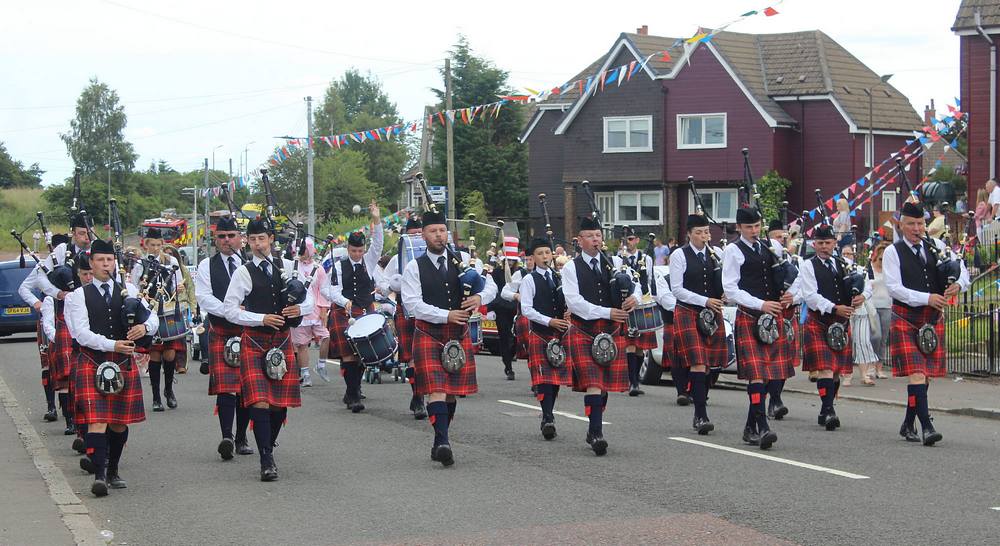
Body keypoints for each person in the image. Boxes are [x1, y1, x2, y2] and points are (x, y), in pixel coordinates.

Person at [401, 209, 497, 466]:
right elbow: (412, 304)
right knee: (437, 390)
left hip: (457, 335)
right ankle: (443, 441)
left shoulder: (464, 260)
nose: (438, 235)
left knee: (452, 393)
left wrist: (479, 298)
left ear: (448, 234)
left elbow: (491, 286)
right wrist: (446, 315)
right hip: (429, 334)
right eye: (433, 231)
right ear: (423, 235)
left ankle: (439, 439)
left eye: (442, 230)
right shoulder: (414, 266)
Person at [223, 219, 314, 481]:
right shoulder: (244, 272)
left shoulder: (288, 268)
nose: (258, 244)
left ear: (271, 239)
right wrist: (260, 318)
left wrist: (299, 309)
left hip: (282, 341)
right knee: (260, 401)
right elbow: (230, 310)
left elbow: (310, 300)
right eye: (252, 240)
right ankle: (266, 458)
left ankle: (268, 445)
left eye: (262, 239)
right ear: (247, 242)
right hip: (254, 340)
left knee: (279, 405)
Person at [68, 239, 157, 496]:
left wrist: (145, 328)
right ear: (91, 264)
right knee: (97, 421)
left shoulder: (127, 290)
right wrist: (112, 344)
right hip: (93, 360)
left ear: (113, 262)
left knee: (118, 423)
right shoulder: (78, 296)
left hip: (121, 362)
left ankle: (112, 469)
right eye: (99, 260)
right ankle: (99, 475)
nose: (105, 264)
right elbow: (80, 334)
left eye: (109, 260)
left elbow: (152, 318)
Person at [883, 202, 969, 445]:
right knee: (918, 374)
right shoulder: (893, 252)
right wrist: (927, 298)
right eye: (911, 224)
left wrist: (958, 285)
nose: (917, 228)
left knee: (925, 376)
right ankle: (927, 427)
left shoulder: (936, 245)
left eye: (920, 223)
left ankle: (909, 422)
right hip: (906, 319)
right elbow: (894, 288)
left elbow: (962, 269)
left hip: (931, 320)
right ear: (901, 224)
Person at [561, 216, 641, 456]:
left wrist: (634, 298)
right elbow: (574, 303)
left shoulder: (615, 262)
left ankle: (593, 428)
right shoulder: (570, 267)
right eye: (590, 236)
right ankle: (596, 432)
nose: (595, 240)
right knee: (594, 383)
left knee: (604, 385)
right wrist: (607, 311)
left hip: (612, 330)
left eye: (598, 236)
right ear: (579, 241)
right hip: (585, 330)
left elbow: (635, 283)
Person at [723, 207, 798, 450]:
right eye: (748, 227)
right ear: (739, 228)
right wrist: (761, 304)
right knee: (756, 374)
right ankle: (763, 427)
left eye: (757, 226)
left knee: (766, 376)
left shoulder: (772, 247)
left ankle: (749, 428)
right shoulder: (733, 251)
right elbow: (731, 289)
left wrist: (789, 296)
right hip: (750, 316)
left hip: (772, 316)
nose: (754, 231)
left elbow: (792, 278)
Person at [19, 215, 92, 421]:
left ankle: (84, 418)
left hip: (90, 313)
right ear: (73, 233)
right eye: (81, 232)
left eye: (88, 232)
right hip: (58, 313)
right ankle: (67, 417)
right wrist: (54, 295)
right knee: (62, 370)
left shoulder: (97, 252)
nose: (85, 237)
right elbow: (33, 282)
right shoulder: (60, 252)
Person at [194, 216, 254, 460]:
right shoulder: (206, 266)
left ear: (240, 238)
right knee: (227, 388)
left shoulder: (250, 265)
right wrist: (230, 311)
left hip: (248, 332)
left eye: (231, 235)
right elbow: (204, 298)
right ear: (215, 239)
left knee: (246, 388)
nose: (227, 240)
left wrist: (247, 315)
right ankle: (227, 437)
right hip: (221, 331)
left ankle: (242, 438)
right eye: (222, 236)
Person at [799, 226, 868, 430]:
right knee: (826, 369)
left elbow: (867, 282)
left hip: (841, 323)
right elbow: (810, 296)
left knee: (836, 371)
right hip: (819, 322)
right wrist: (834, 308)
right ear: (814, 244)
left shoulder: (845, 264)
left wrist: (862, 296)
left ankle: (825, 409)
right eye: (820, 243)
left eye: (828, 243)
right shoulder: (807, 266)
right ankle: (828, 410)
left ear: (834, 244)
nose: (824, 247)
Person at [322, 202, 383, 413]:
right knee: (349, 354)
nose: (357, 254)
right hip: (344, 312)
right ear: (347, 248)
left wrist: (376, 219)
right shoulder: (338, 265)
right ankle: (354, 394)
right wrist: (343, 301)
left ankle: (352, 391)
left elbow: (378, 243)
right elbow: (327, 289)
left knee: (362, 354)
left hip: (365, 310)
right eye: (354, 250)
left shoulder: (370, 260)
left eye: (360, 250)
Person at [670, 214, 726, 434]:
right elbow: (677, 289)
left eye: (706, 232)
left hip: (711, 313)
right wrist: (705, 300)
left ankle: (700, 402)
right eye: (699, 233)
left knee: (710, 365)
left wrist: (724, 294)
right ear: (689, 234)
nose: (704, 236)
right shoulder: (679, 255)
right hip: (688, 312)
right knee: (698, 362)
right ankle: (700, 415)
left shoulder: (716, 254)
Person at [518, 238, 573, 440]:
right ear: (532, 257)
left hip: (559, 333)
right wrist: (549, 321)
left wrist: (568, 313)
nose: (544, 257)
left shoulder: (559, 278)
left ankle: (548, 414)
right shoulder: (529, 280)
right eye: (540, 254)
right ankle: (548, 417)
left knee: (555, 378)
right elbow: (526, 309)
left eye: (547, 253)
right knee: (543, 379)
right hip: (541, 333)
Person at [131, 228, 184, 412]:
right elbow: (135, 287)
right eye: (152, 245)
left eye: (158, 245)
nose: (155, 248)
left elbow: (179, 282)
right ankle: (155, 397)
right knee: (154, 354)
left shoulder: (171, 261)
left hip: (168, 309)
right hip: (150, 310)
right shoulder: (140, 264)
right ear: (146, 245)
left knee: (169, 352)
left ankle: (168, 390)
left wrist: (180, 293)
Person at [379, 215, 426, 419]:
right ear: (406, 235)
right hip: (406, 309)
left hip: (431, 309)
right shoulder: (399, 257)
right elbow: (381, 282)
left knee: (428, 357)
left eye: (419, 233)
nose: (416, 237)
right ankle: (418, 397)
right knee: (414, 358)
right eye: (412, 233)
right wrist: (391, 286)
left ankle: (429, 395)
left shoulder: (432, 255)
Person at [619, 227, 657, 397]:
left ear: (637, 241)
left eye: (632, 239)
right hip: (628, 304)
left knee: (642, 347)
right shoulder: (619, 259)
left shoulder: (646, 258)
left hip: (644, 303)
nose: (629, 242)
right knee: (630, 345)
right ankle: (632, 381)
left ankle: (635, 380)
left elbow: (649, 279)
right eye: (626, 239)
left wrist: (651, 299)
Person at [290, 237, 330, 388]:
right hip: (298, 310)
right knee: (302, 344)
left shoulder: (318, 268)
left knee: (326, 336)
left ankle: (321, 365)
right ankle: (305, 374)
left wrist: (323, 309)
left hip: (315, 310)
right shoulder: (293, 266)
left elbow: (322, 289)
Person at [840, 244, 879, 386]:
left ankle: (864, 375)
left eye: (849, 254)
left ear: (853, 255)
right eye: (843, 253)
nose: (846, 256)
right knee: (845, 344)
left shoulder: (862, 270)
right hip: (844, 312)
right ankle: (847, 375)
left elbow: (869, 288)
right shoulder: (838, 270)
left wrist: (862, 297)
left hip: (861, 310)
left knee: (862, 341)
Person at [489, 237, 522, 380]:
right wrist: (490, 309)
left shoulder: (520, 273)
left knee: (515, 337)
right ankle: (508, 367)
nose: (510, 263)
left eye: (512, 260)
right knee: (504, 336)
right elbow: (492, 291)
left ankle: (513, 353)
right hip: (500, 308)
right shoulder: (496, 273)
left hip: (515, 308)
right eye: (508, 260)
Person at [162, 245, 196, 374]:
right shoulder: (161, 270)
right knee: (166, 336)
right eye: (166, 254)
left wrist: (193, 308)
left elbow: (191, 289)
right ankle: (168, 364)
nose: (169, 256)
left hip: (181, 306)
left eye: (171, 254)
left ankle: (181, 364)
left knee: (181, 335)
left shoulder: (183, 270)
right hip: (165, 307)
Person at [869, 241, 892, 379]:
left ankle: (879, 367)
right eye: (881, 259)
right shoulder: (870, 268)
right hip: (873, 305)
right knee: (875, 335)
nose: (883, 262)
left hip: (886, 305)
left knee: (883, 338)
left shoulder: (890, 270)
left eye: (886, 259)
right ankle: (870, 363)